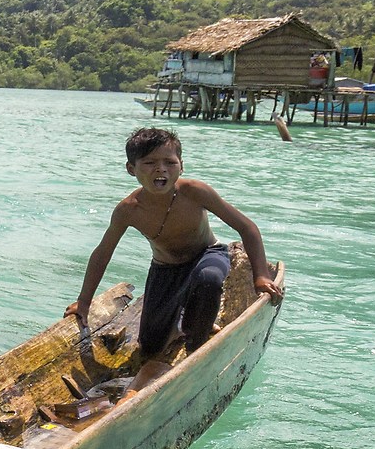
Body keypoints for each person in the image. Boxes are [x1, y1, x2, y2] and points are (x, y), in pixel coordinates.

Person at [68, 128, 281, 383]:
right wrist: (84, 302)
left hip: (207, 255)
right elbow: (103, 254)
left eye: (170, 162)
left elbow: (247, 228)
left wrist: (260, 276)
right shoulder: (128, 210)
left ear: (182, 166)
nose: (161, 169)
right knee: (150, 346)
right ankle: (188, 320)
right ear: (131, 169)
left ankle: (196, 347)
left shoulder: (196, 191)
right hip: (165, 270)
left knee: (209, 278)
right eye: (149, 163)